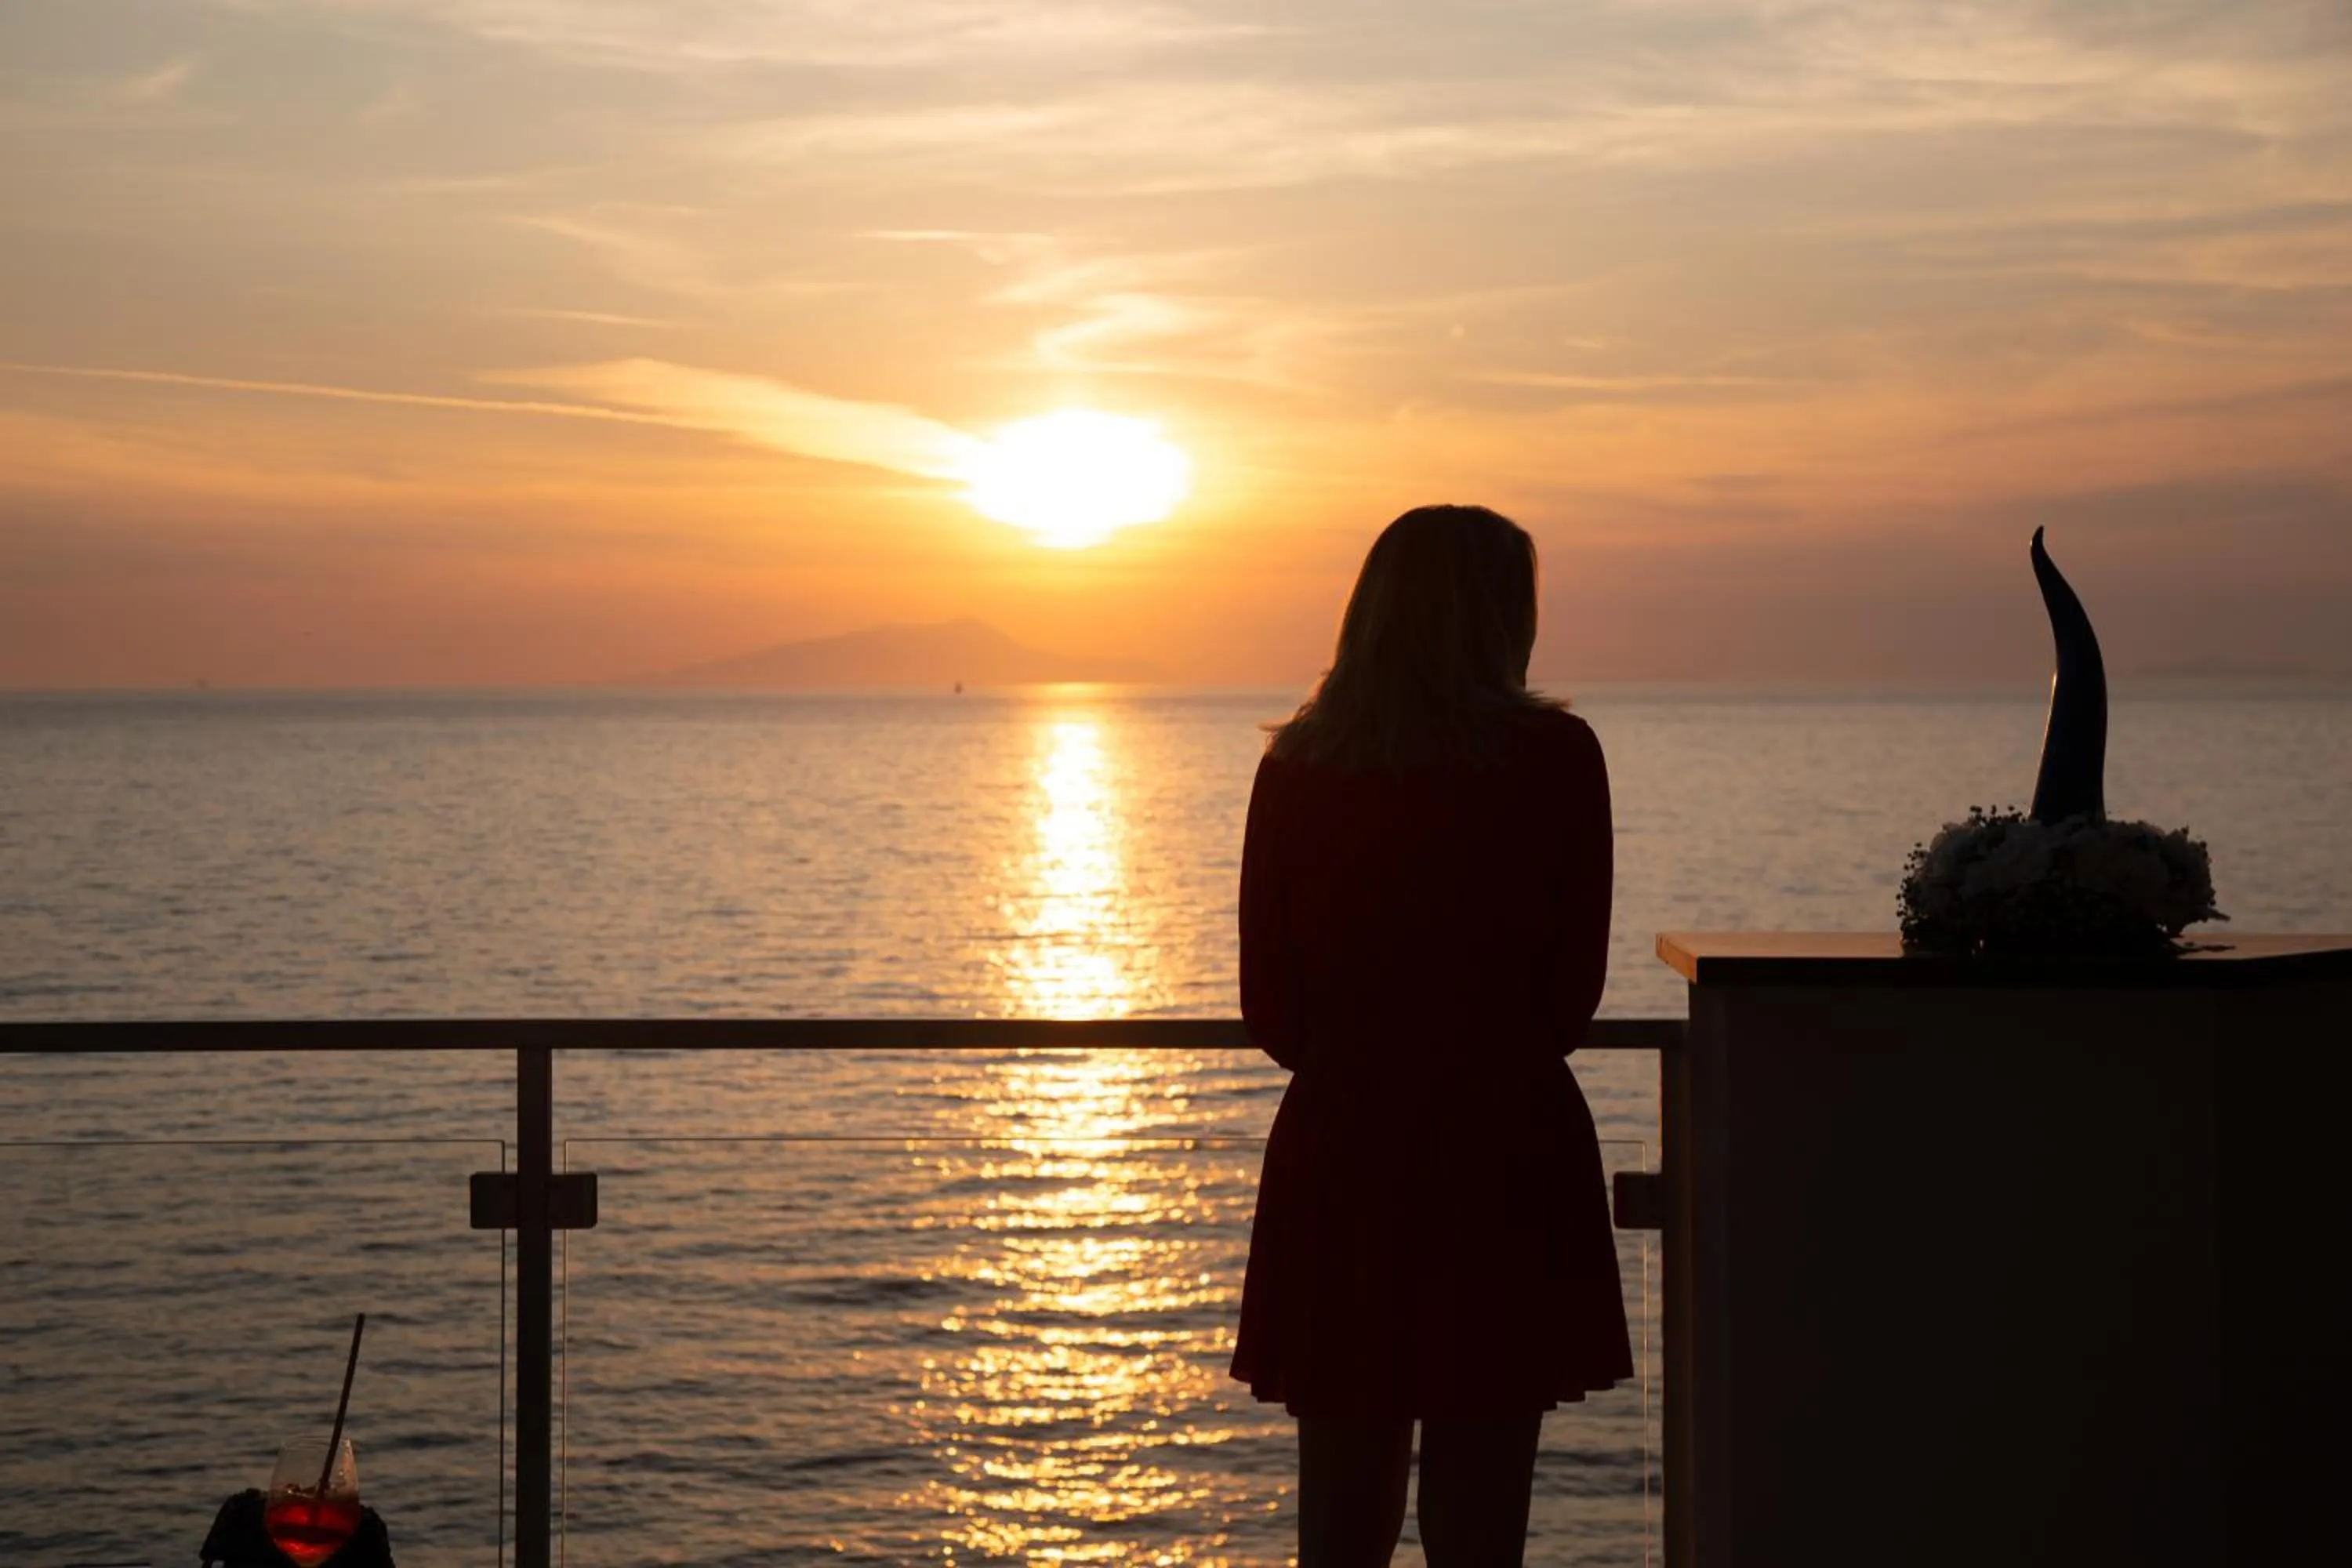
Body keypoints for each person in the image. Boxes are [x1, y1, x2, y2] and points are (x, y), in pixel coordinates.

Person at [1230, 504, 1632, 1566]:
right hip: (1504, 1148)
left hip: (1346, 1151)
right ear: (1502, 618)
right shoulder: (1556, 758)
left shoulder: (1299, 766)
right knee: (1482, 1523)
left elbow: (1271, 1008)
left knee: (1342, 1525)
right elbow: (1570, 997)